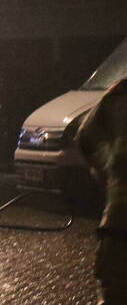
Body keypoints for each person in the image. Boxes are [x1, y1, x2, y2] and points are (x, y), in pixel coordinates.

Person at [76, 77, 127, 305]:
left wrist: (109, 170)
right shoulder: (118, 95)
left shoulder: (118, 94)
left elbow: (86, 136)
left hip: (118, 220)